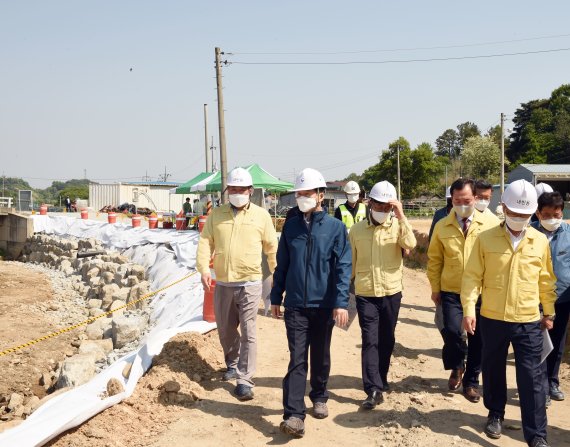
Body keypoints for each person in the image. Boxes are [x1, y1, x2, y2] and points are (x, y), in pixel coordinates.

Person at [461, 179, 556, 447]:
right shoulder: (485, 238)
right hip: (492, 317)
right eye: (514, 213)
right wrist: (469, 310)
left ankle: (536, 434)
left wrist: (548, 312)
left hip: (528, 321)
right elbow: (471, 278)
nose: (519, 219)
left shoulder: (539, 241)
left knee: (532, 378)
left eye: (525, 215)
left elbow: (546, 280)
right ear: (503, 208)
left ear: (533, 213)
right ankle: (495, 413)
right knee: (492, 370)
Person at [271, 168, 351, 438]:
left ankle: (319, 394)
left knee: (321, 354)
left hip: (325, 305)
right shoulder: (291, 227)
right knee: (296, 359)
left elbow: (343, 268)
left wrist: (341, 303)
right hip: (295, 305)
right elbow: (282, 265)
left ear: (321, 195)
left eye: (307, 193)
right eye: (299, 194)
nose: (302, 198)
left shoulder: (336, 228)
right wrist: (275, 297)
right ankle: (294, 415)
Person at [196, 167, 278, 401]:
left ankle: (244, 380)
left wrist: (277, 276)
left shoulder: (261, 216)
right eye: (233, 189)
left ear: (250, 191)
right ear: (227, 191)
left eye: (241, 189)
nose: (237, 192)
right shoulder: (217, 215)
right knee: (225, 329)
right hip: (223, 283)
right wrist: (204, 268)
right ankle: (232, 363)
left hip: (251, 282)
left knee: (249, 330)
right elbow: (205, 243)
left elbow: (272, 247)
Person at [427, 178, 499, 403]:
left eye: (466, 200)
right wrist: (435, 287)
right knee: (450, 330)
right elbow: (434, 260)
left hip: (481, 292)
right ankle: (457, 366)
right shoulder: (442, 225)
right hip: (451, 290)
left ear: (476, 198)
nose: (462, 204)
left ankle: (471, 382)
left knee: (477, 338)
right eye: (457, 200)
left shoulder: (491, 224)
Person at [349, 180, 416, 410]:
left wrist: (401, 215)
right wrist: (345, 293)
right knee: (370, 340)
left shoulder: (398, 227)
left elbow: (411, 243)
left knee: (387, 339)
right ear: (370, 203)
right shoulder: (356, 230)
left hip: (391, 293)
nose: (383, 211)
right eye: (379, 206)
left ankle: (382, 377)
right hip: (366, 293)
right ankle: (373, 388)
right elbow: (351, 264)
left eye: (388, 207)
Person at [531, 191, 570, 404]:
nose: (552, 219)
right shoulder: (529, 233)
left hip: (562, 299)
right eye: (546, 215)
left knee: (557, 342)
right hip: (534, 300)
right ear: (538, 213)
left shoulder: (568, 234)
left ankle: (552, 381)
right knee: (536, 344)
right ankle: (540, 387)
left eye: (556, 214)